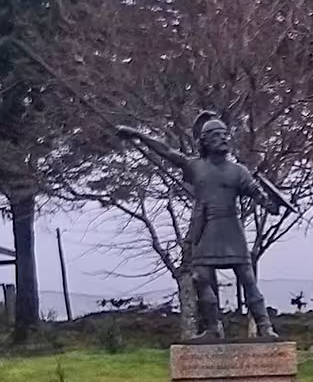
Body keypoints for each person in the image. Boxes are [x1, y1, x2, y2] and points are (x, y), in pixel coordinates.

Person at [118, 112, 287, 339]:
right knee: (201, 278)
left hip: (231, 229)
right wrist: (138, 135)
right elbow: (166, 151)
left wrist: (273, 204)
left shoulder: (239, 171)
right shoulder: (195, 166)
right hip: (206, 229)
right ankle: (213, 328)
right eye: (217, 135)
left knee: (247, 278)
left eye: (225, 135)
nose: (223, 139)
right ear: (205, 141)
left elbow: (261, 199)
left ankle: (265, 326)